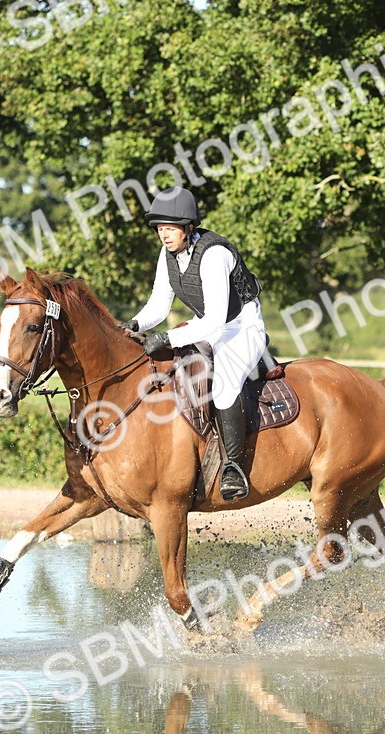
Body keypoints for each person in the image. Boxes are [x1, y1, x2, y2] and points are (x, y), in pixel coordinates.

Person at [121, 187, 266, 501]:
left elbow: (214, 320)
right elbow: (159, 306)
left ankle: (233, 469)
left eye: (170, 229)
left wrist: (167, 338)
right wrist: (134, 324)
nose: (164, 235)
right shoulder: (169, 254)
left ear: (188, 228)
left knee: (225, 385)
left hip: (241, 327)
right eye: (160, 229)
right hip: (210, 327)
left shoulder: (215, 255)